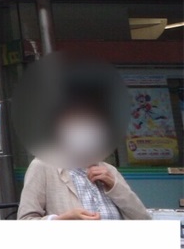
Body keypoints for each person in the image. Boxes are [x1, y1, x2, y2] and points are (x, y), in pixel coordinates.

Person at [18, 69, 151, 222]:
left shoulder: (109, 171)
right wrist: (62, 220)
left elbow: (144, 221)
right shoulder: (43, 166)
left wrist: (115, 186)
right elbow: (25, 222)